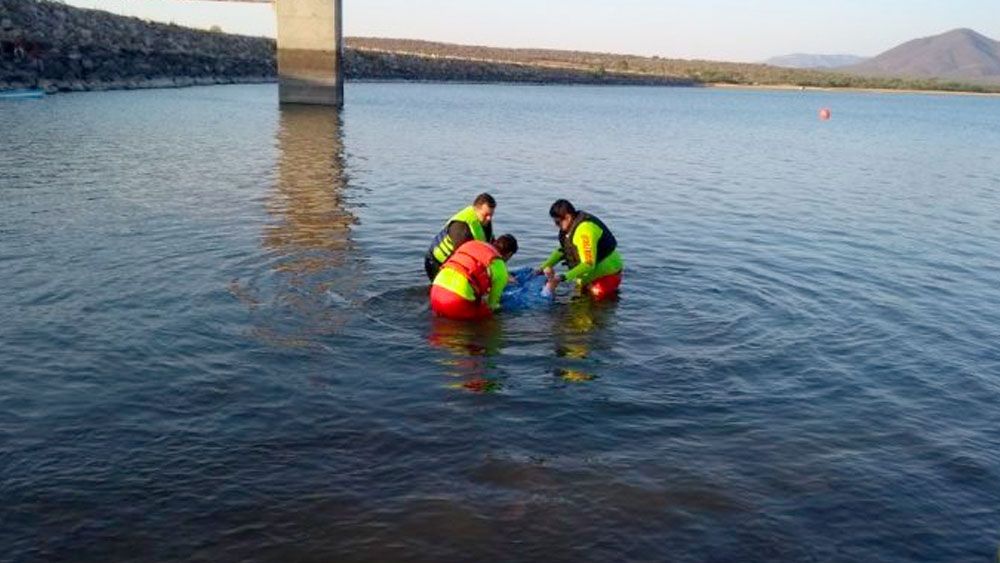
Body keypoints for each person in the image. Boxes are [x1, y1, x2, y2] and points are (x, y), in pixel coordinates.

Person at [537, 199, 623, 300]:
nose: (556, 225)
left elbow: (588, 264)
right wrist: (542, 268)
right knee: (577, 302)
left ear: (568, 217)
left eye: (557, 222)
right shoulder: (568, 229)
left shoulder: (585, 232)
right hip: (585, 277)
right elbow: (563, 250)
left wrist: (562, 277)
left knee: (596, 301)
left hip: (606, 274)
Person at [430, 235, 518, 321]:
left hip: (435, 291)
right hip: (456, 301)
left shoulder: (471, 244)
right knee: (488, 316)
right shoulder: (500, 267)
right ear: (509, 254)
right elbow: (492, 305)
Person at [424, 193, 496, 281]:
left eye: (491, 215)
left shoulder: (484, 221)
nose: (489, 218)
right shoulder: (461, 227)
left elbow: (490, 245)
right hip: (436, 263)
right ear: (476, 209)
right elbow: (463, 258)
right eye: (486, 214)